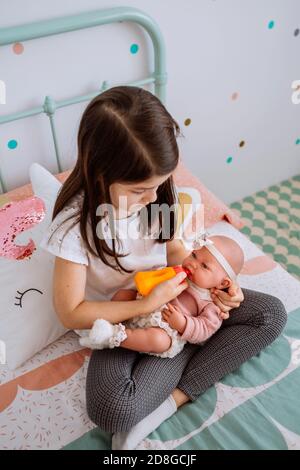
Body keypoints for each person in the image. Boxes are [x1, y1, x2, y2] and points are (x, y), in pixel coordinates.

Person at [39, 86, 287, 450]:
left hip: (178, 303)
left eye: (159, 184)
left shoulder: (157, 199)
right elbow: (72, 313)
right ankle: (193, 343)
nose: (153, 198)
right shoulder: (74, 229)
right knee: (113, 410)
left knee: (270, 313)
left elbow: (176, 254)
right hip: (125, 319)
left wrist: (220, 290)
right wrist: (146, 307)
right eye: (141, 190)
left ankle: (176, 390)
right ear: (100, 173)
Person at [79, 234, 245, 360]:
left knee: (158, 341)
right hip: (141, 306)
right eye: (194, 255)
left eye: (204, 266)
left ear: (223, 283)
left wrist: (182, 323)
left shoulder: (213, 303)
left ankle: (113, 336)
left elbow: (204, 329)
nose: (193, 264)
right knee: (123, 294)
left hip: (166, 328)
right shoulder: (180, 270)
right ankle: (100, 326)